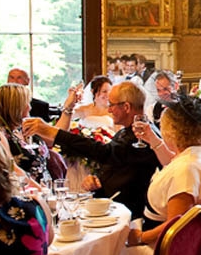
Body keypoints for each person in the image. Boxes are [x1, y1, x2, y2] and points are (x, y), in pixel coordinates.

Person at [23, 81, 162, 219]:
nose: (109, 110)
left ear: (126, 107)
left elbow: (105, 152)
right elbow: (118, 164)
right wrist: (98, 179)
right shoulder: (128, 131)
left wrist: (53, 132)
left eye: (112, 105)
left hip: (129, 214)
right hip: (113, 205)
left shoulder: (142, 136)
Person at [126, 94, 201, 247]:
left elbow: (177, 224)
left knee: (103, 254)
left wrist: (140, 237)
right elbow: (172, 162)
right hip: (164, 238)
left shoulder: (186, 169)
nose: (160, 130)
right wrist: (152, 139)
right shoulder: (199, 153)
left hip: (162, 249)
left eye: (161, 126)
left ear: (172, 132)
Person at [0, 83, 51, 188]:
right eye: (27, 103)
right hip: (24, 193)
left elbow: (53, 138)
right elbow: (11, 168)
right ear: (15, 106)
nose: (30, 107)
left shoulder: (20, 129)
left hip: (44, 191)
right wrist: (40, 190)